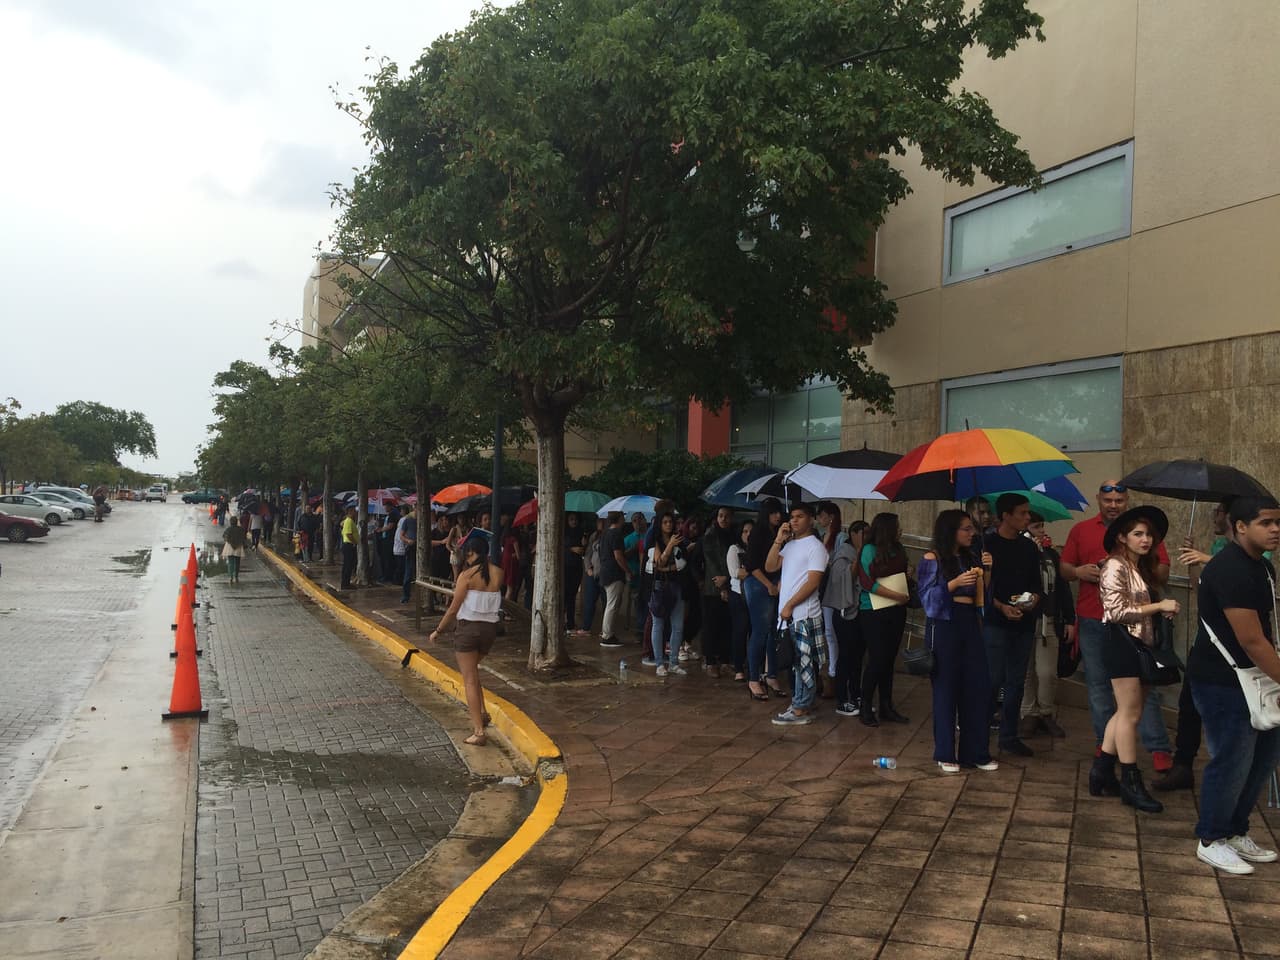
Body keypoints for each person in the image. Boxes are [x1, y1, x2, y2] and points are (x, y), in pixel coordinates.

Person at [1185, 495, 1280, 874]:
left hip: (1259, 678)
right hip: (1225, 681)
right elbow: (1252, 640)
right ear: (1240, 526)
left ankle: (1236, 830)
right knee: (1232, 760)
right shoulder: (1231, 569)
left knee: (1262, 760)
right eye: (1266, 523)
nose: (1275, 530)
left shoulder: (1260, 567)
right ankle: (1211, 838)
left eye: (1278, 523)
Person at [1061, 481, 1175, 772]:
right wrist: (1078, 571)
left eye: (1119, 499)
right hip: (1094, 619)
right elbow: (1064, 568)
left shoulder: (1145, 532)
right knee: (1099, 687)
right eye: (1108, 499)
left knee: (1145, 689)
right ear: (1099, 499)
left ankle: (1158, 748)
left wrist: (1145, 566)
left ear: (1126, 501)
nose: (1114, 504)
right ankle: (1106, 749)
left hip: (1139, 627)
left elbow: (1162, 573)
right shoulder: (1081, 530)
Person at [1089, 505, 1177, 814]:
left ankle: (1101, 770)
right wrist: (1158, 605)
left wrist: (1160, 607)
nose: (1146, 540)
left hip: (1143, 646)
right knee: (1129, 714)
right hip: (1123, 644)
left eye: (1149, 535)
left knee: (1128, 713)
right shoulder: (1115, 565)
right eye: (1138, 534)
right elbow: (1115, 612)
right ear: (1123, 538)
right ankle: (1130, 780)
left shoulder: (1139, 567)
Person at [1159, 499, 1235, 791]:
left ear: (1230, 518)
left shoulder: (1250, 552)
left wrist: (1202, 556)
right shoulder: (1217, 550)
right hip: (1205, 639)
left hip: (1230, 648)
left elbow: (1241, 571)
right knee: (1188, 704)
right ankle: (1182, 766)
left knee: (1223, 715)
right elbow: (1200, 589)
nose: (1213, 517)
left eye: (1217, 513)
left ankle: (1227, 775)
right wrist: (1193, 563)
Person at [919, 509, 997, 772]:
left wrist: (986, 571)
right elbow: (926, 598)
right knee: (946, 687)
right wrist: (953, 584)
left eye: (972, 529)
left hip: (969, 622)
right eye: (966, 528)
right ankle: (945, 752)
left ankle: (975, 751)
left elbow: (982, 597)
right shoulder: (933, 558)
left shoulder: (969, 557)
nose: (971, 533)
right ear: (951, 530)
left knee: (977, 685)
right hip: (944, 623)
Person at [981, 493, 1045, 757]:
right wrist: (1001, 606)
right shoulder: (987, 544)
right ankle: (980, 731)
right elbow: (982, 588)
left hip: (1023, 622)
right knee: (993, 679)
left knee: (1016, 681)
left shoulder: (1028, 547)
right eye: (1022, 513)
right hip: (995, 621)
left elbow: (1035, 584)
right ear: (1006, 515)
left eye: (1027, 513)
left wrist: (1031, 602)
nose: (1027, 517)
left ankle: (1009, 735)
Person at [429, 537, 504, 746]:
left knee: (469, 679)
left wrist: (438, 630)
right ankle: (483, 712)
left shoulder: (466, 576)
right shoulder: (498, 573)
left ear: (471, 553)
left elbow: (453, 608)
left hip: (468, 630)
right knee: (474, 671)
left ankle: (479, 731)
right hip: (489, 630)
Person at [767, 503, 830, 724]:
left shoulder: (816, 548)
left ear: (810, 519)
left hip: (803, 614)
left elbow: (813, 582)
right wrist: (779, 539)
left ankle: (801, 707)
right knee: (796, 662)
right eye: (792, 517)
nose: (794, 520)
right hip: (788, 614)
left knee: (804, 663)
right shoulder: (790, 545)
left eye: (799, 516)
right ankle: (798, 703)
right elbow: (770, 565)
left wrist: (790, 605)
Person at [1020, 512, 1076, 739]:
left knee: (1047, 671)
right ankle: (1028, 714)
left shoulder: (1051, 555)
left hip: (1049, 620)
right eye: (1036, 526)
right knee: (1026, 671)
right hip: (1025, 619)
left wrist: (1070, 619)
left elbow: (1062, 588)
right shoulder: (1022, 552)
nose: (1041, 530)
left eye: (1042, 526)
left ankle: (1046, 712)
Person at [856, 512, 911, 726]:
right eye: (897, 526)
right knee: (877, 658)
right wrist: (896, 595)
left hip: (896, 609)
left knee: (889, 659)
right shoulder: (868, 550)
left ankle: (886, 705)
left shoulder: (898, 549)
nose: (901, 529)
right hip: (873, 610)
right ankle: (865, 705)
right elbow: (867, 583)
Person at [744, 498, 787, 701]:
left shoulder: (779, 533)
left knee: (772, 632)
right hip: (758, 584)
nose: (777, 516)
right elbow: (751, 565)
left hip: (774, 585)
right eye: (773, 512)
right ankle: (753, 678)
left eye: (779, 512)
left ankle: (770, 675)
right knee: (760, 632)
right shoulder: (759, 533)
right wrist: (768, 584)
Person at [825, 520, 868, 717]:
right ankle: (842, 699)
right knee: (845, 656)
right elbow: (845, 578)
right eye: (864, 533)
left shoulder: (867, 550)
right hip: (844, 612)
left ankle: (856, 695)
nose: (867, 536)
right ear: (854, 533)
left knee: (858, 657)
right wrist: (858, 554)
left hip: (860, 611)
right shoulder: (843, 552)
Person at [646, 511, 687, 676]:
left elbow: (682, 563)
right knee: (658, 624)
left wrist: (667, 567)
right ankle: (659, 663)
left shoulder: (679, 540)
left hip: (676, 584)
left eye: (671, 522)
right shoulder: (654, 541)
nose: (669, 525)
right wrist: (669, 546)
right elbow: (659, 561)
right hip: (659, 585)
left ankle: (674, 662)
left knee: (677, 626)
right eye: (665, 522)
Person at [699, 507, 735, 678]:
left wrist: (727, 581)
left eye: (727, 516)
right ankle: (710, 661)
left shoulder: (733, 535)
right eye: (721, 516)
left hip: (731, 585)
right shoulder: (710, 535)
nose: (723, 519)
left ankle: (725, 660)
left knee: (727, 626)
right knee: (711, 625)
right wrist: (721, 586)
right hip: (712, 587)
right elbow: (712, 562)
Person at [817, 501, 844, 693]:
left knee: (830, 631)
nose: (819, 519)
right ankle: (823, 668)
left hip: (832, 588)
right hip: (820, 587)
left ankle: (833, 670)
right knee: (823, 631)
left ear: (831, 517)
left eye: (822, 515)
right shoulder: (820, 536)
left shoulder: (840, 537)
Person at [726, 519, 754, 682]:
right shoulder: (734, 549)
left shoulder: (757, 549)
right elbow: (735, 572)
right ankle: (738, 667)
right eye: (745, 531)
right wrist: (753, 571)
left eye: (751, 531)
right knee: (740, 631)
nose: (748, 534)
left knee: (754, 631)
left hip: (754, 596)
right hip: (738, 594)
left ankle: (752, 666)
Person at [598, 511, 629, 647]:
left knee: (611, 604)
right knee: (612, 605)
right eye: (623, 516)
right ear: (619, 519)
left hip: (605, 571)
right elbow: (618, 556)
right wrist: (627, 570)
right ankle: (607, 635)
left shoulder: (605, 534)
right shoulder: (616, 534)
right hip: (614, 573)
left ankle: (608, 632)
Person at [579, 517, 605, 635]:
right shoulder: (594, 536)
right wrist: (588, 567)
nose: (600, 523)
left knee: (606, 602)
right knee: (589, 601)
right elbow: (588, 553)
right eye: (599, 521)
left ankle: (605, 630)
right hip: (592, 573)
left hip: (604, 573)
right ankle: (586, 627)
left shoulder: (609, 535)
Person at [563, 512, 587, 631]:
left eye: (575, 519)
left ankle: (570, 623)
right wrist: (572, 549)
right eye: (571, 519)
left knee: (572, 596)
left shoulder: (581, 533)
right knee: (563, 596)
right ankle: (562, 621)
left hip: (576, 568)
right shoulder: (564, 533)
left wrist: (584, 544)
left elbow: (584, 551)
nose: (574, 522)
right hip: (565, 567)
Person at [397, 507, 418, 604]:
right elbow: (401, 535)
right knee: (408, 573)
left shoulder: (425, 519)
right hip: (411, 548)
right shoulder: (408, 520)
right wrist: (407, 541)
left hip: (421, 548)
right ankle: (406, 595)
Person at [222, 518, 248, 583]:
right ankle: (236, 577)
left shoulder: (228, 529)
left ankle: (231, 577)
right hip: (239, 547)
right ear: (236, 522)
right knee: (237, 563)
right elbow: (244, 537)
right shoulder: (241, 529)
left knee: (230, 562)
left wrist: (228, 540)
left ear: (231, 522)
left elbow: (224, 536)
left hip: (229, 547)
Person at [339, 506, 359, 589]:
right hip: (349, 545)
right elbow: (348, 534)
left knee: (349, 565)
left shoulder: (349, 521)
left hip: (349, 545)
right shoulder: (349, 521)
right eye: (354, 511)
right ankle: (345, 584)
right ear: (350, 511)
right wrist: (355, 542)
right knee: (348, 565)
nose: (355, 512)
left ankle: (346, 582)